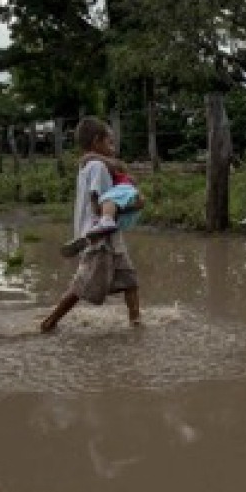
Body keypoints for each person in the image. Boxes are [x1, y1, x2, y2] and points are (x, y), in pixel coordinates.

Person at [40, 117, 142, 333]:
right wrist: (132, 207)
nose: (113, 148)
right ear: (97, 141)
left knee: (129, 279)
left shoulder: (92, 164)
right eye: (110, 143)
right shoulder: (96, 166)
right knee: (82, 285)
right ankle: (50, 322)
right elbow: (98, 205)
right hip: (99, 234)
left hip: (110, 233)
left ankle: (136, 323)